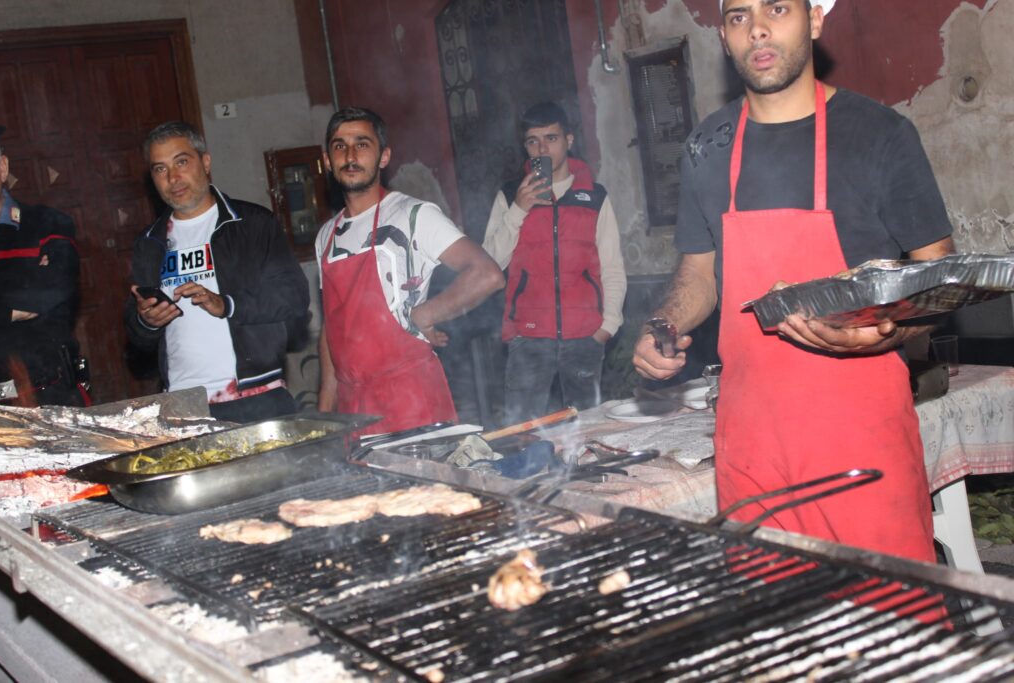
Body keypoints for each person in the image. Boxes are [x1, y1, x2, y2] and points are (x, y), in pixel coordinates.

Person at [633, 0, 955, 562]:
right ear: (725, 38)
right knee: (770, 615)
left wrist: (883, 330)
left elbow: (939, 275)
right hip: (753, 447)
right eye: (738, 17)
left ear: (814, 20)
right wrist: (663, 323)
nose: (756, 28)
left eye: (777, 8)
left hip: (862, 443)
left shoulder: (879, 134)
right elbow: (700, 273)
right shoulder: (706, 147)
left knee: (889, 612)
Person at [315, 107, 504, 436]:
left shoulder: (413, 215)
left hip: (411, 398)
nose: (350, 156)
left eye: (362, 144)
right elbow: (330, 329)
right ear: (327, 161)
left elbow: (487, 274)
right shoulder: (326, 236)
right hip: (352, 408)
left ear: (384, 156)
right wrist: (324, 413)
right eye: (339, 146)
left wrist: (426, 313)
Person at [125, 121, 309, 423]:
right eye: (160, 169)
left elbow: (294, 297)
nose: (173, 177)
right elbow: (136, 336)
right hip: (183, 405)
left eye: (181, 162)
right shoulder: (150, 241)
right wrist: (147, 321)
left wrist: (227, 304)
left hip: (255, 398)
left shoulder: (252, 224)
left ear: (206, 162)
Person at [483, 102, 626, 424]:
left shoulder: (595, 196)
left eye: (551, 138)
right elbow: (490, 264)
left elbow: (612, 267)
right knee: (524, 430)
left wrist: (607, 326)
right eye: (533, 141)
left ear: (568, 140)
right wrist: (519, 209)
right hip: (528, 337)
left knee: (588, 429)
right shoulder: (510, 195)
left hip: (585, 335)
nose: (542, 149)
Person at [0, 124, 88, 408]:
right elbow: (28, 295)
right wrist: (19, 291)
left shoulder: (47, 224)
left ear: (2, 168)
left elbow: (51, 289)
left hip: (52, 395)